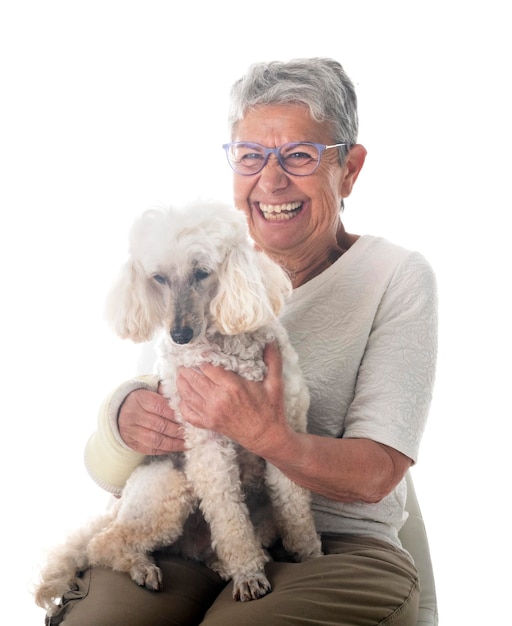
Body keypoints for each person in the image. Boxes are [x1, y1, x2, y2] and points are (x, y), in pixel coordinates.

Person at [48, 57, 438, 625]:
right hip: (188, 530)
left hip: (338, 544)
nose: (272, 180)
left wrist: (268, 436)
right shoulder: (186, 263)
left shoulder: (397, 276)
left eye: (300, 155)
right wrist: (122, 419)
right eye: (251, 156)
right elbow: (116, 470)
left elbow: (378, 473)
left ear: (350, 169)